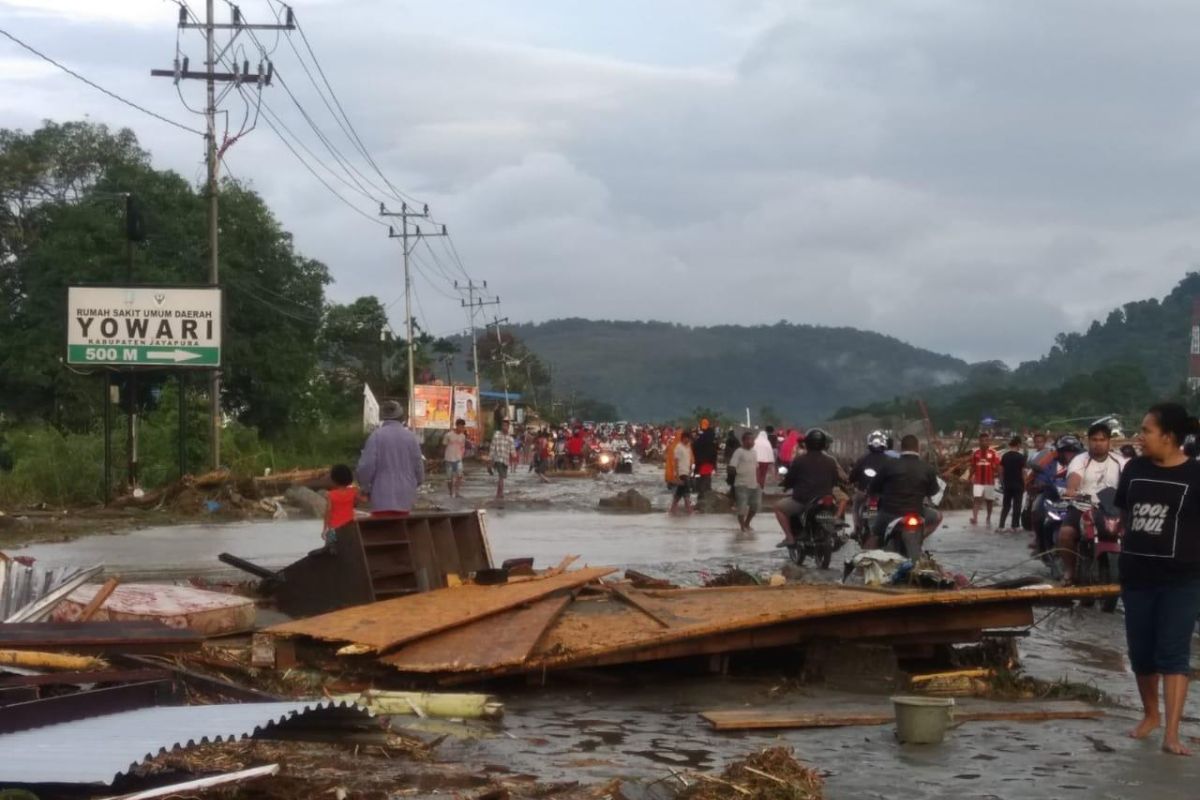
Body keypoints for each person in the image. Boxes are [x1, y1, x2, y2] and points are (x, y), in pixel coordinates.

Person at [1114, 403, 1200, 756]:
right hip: (1136, 575)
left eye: (1147, 430)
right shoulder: (1134, 467)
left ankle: (1173, 733)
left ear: (1169, 436)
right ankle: (1151, 715)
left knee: (1173, 654)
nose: (1140, 435)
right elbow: (1124, 511)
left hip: (1182, 578)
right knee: (1141, 652)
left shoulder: (1195, 475)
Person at [1058, 422, 1126, 585]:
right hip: (1083, 508)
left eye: (1102, 439)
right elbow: (1074, 477)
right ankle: (1070, 570)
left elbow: (1129, 482)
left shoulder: (1120, 461)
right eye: (1094, 439)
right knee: (1066, 533)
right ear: (1088, 441)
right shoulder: (1080, 460)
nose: (1098, 443)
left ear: (1109, 441)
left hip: (1111, 511)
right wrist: (1071, 489)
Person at [867, 434, 942, 558]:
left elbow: (873, 488)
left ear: (901, 448)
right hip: (916, 513)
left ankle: (865, 563)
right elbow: (933, 492)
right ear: (918, 448)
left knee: (875, 534)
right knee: (938, 516)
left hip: (889, 514)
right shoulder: (928, 468)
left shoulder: (889, 465)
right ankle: (919, 537)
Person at [774, 429, 846, 547]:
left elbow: (790, 479)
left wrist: (786, 485)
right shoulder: (830, 461)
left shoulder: (799, 460)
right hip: (825, 498)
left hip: (803, 500)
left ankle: (790, 537)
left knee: (778, 507)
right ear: (824, 444)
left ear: (806, 443)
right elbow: (834, 480)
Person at [356, 400, 424, 517]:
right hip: (405, 495)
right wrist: (417, 481)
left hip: (381, 496)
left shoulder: (376, 436)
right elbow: (418, 464)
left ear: (382, 415)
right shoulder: (411, 437)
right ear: (402, 416)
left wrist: (365, 487)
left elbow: (366, 466)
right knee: (402, 531)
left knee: (383, 532)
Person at [849, 430, 892, 540]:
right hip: (884, 494)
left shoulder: (862, 459)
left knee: (855, 506)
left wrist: (853, 480)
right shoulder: (890, 460)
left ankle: (856, 528)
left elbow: (852, 476)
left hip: (864, 492)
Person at [729, 431, 761, 532]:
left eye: (753, 440)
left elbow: (756, 467)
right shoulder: (739, 452)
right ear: (743, 441)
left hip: (754, 484)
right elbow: (731, 467)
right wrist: (734, 480)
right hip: (741, 484)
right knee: (742, 508)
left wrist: (759, 481)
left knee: (755, 506)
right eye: (749, 439)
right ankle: (742, 527)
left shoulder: (754, 452)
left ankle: (747, 523)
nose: (752, 442)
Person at [969, 432, 1001, 528]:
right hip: (978, 480)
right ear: (979, 442)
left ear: (989, 442)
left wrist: (998, 475)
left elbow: (998, 467)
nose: (984, 442)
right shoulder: (976, 453)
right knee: (976, 499)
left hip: (989, 481)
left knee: (989, 500)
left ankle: (988, 517)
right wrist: (970, 477)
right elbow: (972, 467)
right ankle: (975, 518)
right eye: (982, 441)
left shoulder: (994, 453)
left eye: (986, 440)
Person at [322, 464, 358, 545]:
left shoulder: (331, 494)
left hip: (334, 529)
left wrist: (324, 529)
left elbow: (328, 512)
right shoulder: (354, 491)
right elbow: (363, 500)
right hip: (350, 529)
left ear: (334, 479)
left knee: (330, 551)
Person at [999, 436, 1027, 532]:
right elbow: (1023, 472)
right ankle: (1014, 526)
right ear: (1018, 444)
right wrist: (1025, 483)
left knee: (1006, 505)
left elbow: (1001, 471)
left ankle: (1001, 526)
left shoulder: (1005, 456)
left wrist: (1002, 483)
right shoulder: (1020, 457)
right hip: (1018, 484)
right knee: (1017, 505)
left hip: (1007, 484)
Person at [669, 430, 695, 515]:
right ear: (683, 438)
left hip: (686, 472)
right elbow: (676, 461)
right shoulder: (679, 447)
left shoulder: (687, 447)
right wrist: (676, 475)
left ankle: (672, 511)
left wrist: (690, 470)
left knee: (679, 495)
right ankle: (689, 511)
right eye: (687, 438)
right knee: (686, 494)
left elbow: (688, 460)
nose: (688, 440)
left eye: (689, 439)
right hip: (681, 473)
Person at [490, 419, 516, 500]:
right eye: (503, 425)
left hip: (505, 460)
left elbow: (512, 451)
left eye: (506, 426)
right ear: (501, 426)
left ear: (508, 427)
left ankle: (498, 493)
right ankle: (500, 494)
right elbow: (492, 447)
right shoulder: (496, 435)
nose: (504, 427)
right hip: (498, 459)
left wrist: (514, 459)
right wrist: (490, 459)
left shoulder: (510, 438)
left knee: (502, 477)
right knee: (501, 477)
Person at [442, 418, 469, 498]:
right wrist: (443, 457)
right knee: (449, 478)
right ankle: (451, 492)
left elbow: (463, 447)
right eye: (460, 426)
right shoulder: (448, 435)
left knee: (460, 475)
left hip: (458, 459)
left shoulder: (463, 436)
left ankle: (457, 492)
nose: (461, 428)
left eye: (463, 427)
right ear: (457, 426)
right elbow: (444, 445)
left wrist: (462, 455)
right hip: (449, 459)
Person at [693, 419, 719, 497]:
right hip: (708, 462)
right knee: (706, 479)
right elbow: (714, 452)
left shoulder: (701, 438)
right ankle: (705, 496)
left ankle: (702, 497)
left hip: (701, 462)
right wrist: (715, 465)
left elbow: (695, 448)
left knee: (703, 480)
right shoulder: (711, 438)